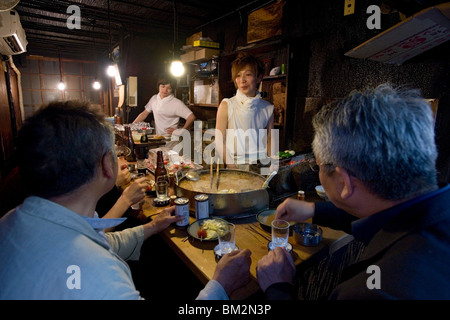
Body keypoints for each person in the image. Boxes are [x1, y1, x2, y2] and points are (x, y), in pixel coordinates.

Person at [0, 100, 250, 300]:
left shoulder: (11, 221)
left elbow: (98, 238)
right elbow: (90, 253)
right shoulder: (96, 273)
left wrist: (151, 227)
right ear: (106, 166)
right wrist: (220, 287)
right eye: (113, 153)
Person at [256, 84, 450, 299]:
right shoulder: (431, 212)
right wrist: (313, 210)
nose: (318, 171)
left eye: (318, 166)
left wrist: (279, 287)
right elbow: (374, 209)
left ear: (344, 181)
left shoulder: (373, 291)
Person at [215, 52, 274, 169]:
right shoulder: (227, 104)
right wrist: (232, 166)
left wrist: (271, 164)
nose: (242, 80)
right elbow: (219, 140)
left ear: (259, 78)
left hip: (259, 165)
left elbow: (270, 139)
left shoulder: (268, 108)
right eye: (238, 75)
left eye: (248, 75)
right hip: (235, 164)